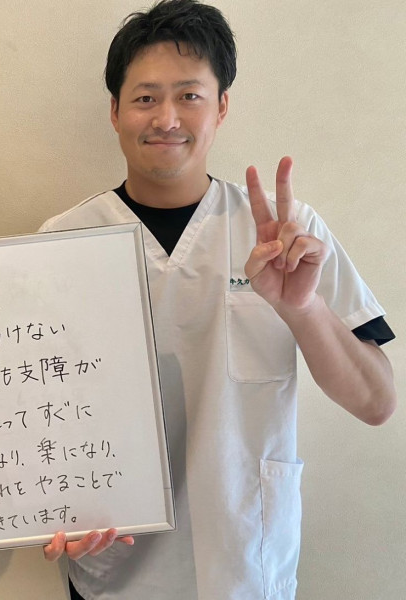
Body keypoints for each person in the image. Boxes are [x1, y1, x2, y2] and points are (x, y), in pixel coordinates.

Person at [40, 1, 397, 598]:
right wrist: (44, 508)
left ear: (222, 106)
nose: (167, 118)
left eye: (190, 96)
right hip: (114, 564)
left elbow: (376, 402)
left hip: (245, 561)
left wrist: (301, 307)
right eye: (146, 97)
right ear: (115, 111)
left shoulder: (287, 234)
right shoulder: (63, 241)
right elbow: (31, 410)